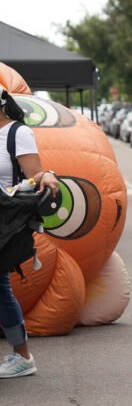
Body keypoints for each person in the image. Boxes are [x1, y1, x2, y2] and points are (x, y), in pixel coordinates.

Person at [0, 88, 60, 378]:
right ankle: (21, 354)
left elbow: (34, 173)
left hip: (4, 220)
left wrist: (46, 175)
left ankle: (22, 356)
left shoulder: (17, 133)